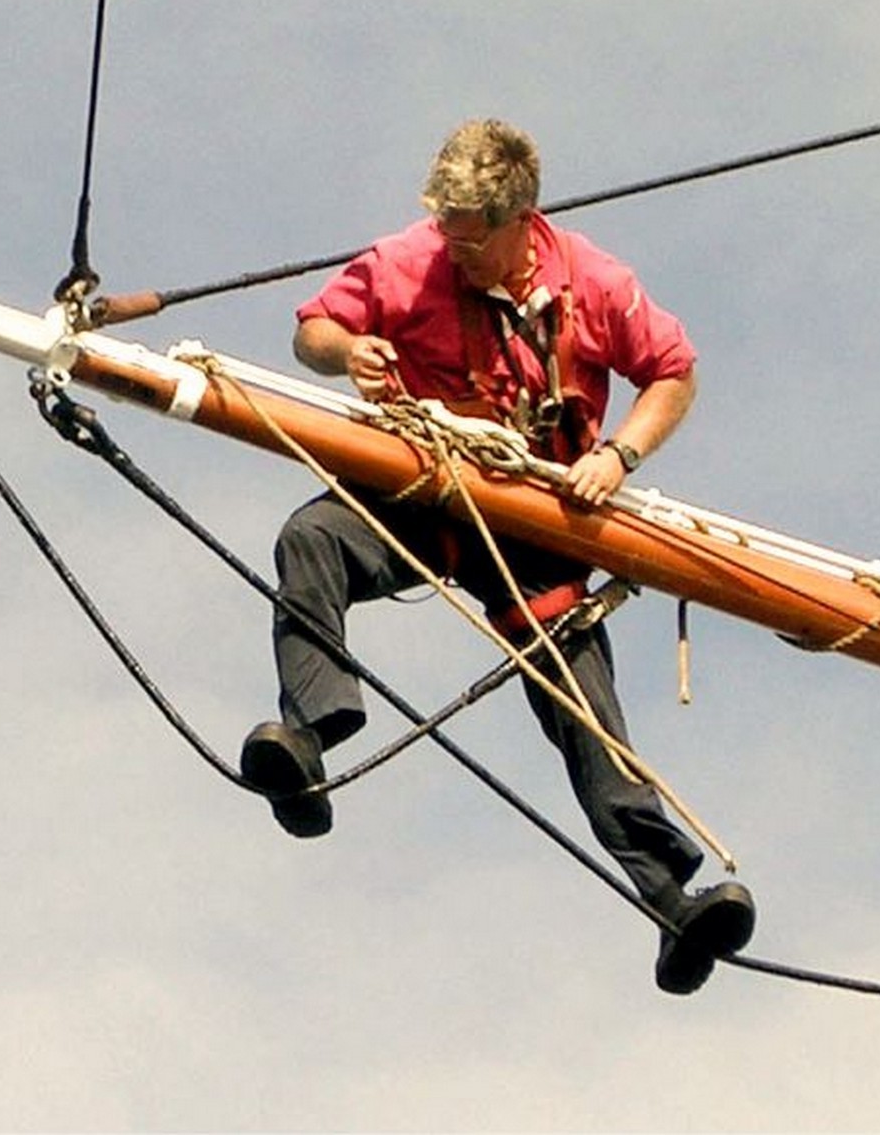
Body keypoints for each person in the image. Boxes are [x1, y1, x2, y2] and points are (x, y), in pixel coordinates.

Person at [240, 118, 755, 995]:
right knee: (312, 538)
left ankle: (671, 897)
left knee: (583, 711)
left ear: (523, 220)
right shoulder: (414, 259)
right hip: (429, 490)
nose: (456, 253)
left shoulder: (594, 283)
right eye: (447, 233)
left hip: (535, 520)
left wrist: (616, 455)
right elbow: (313, 330)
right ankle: (311, 738)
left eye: (471, 241)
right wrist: (349, 351)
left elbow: (673, 371)